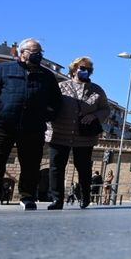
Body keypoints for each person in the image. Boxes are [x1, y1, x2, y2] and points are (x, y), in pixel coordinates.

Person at [0, 38, 62, 211]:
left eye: (40, 52)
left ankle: (27, 197)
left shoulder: (47, 76)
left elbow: (56, 101)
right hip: (2, 124)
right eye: (34, 52)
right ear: (22, 53)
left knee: (31, 164)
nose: (38, 55)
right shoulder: (3, 69)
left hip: (33, 127)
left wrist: (45, 116)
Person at [45, 56, 109, 210]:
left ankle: (85, 197)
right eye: (82, 68)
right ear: (74, 69)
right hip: (59, 132)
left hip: (84, 136)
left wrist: (94, 116)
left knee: (84, 167)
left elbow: (106, 109)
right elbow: (49, 106)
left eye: (88, 69)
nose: (85, 71)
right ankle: (57, 199)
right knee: (56, 167)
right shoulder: (61, 87)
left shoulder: (97, 90)